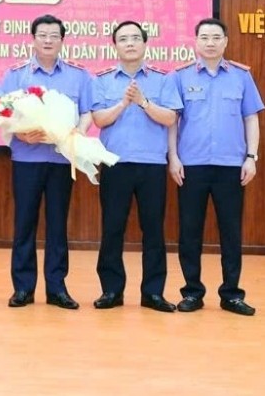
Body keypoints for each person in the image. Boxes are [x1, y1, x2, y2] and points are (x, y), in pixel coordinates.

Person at [168, 17, 264, 316]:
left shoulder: (241, 76)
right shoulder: (180, 76)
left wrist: (251, 157)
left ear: (225, 41)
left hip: (231, 166)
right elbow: (172, 121)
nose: (210, 43)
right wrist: (173, 157)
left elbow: (251, 118)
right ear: (196, 42)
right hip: (191, 166)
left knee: (231, 232)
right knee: (190, 232)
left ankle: (231, 294)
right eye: (205, 37)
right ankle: (192, 292)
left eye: (216, 37)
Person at [2, 14, 92, 310]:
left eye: (54, 35)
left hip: (61, 160)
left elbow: (87, 113)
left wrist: (77, 132)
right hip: (26, 158)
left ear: (62, 40)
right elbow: (0, 112)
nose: (48, 40)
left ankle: (57, 288)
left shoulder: (78, 75)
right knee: (24, 223)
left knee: (57, 225)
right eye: (42, 35)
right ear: (33, 39)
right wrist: (19, 132)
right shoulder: (17, 75)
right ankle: (23, 288)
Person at [90, 21, 181, 313]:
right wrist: (122, 103)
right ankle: (111, 290)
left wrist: (143, 102)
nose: (129, 43)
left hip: (151, 165)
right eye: (123, 39)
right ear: (114, 45)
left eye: (135, 38)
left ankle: (153, 293)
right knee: (112, 228)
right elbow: (99, 119)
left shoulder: (163, 79)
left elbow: (170, 118)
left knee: (153, 230)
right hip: (115, 165)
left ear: (144, 43)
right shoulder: (102, 79)